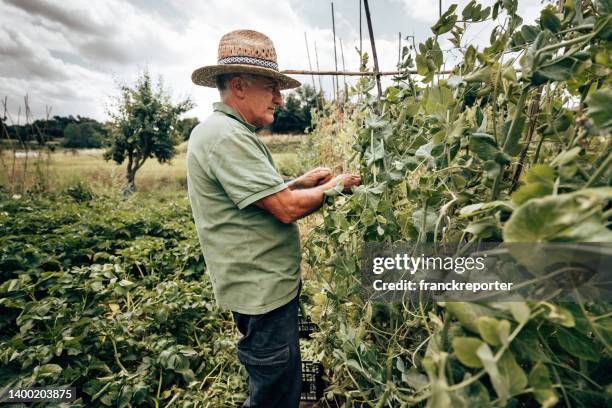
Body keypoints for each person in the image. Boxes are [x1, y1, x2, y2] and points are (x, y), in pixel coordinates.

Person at [187, 29, 360, 407]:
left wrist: (299, 181)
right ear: (239, 86)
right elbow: (285, 208)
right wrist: (336, 188)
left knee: (280, 378)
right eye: (272, 88)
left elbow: (256, 198)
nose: (280, 100)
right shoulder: (227, 137)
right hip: (261, 290)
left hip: (260, 286)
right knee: (274, 394)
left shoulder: (226, 132)